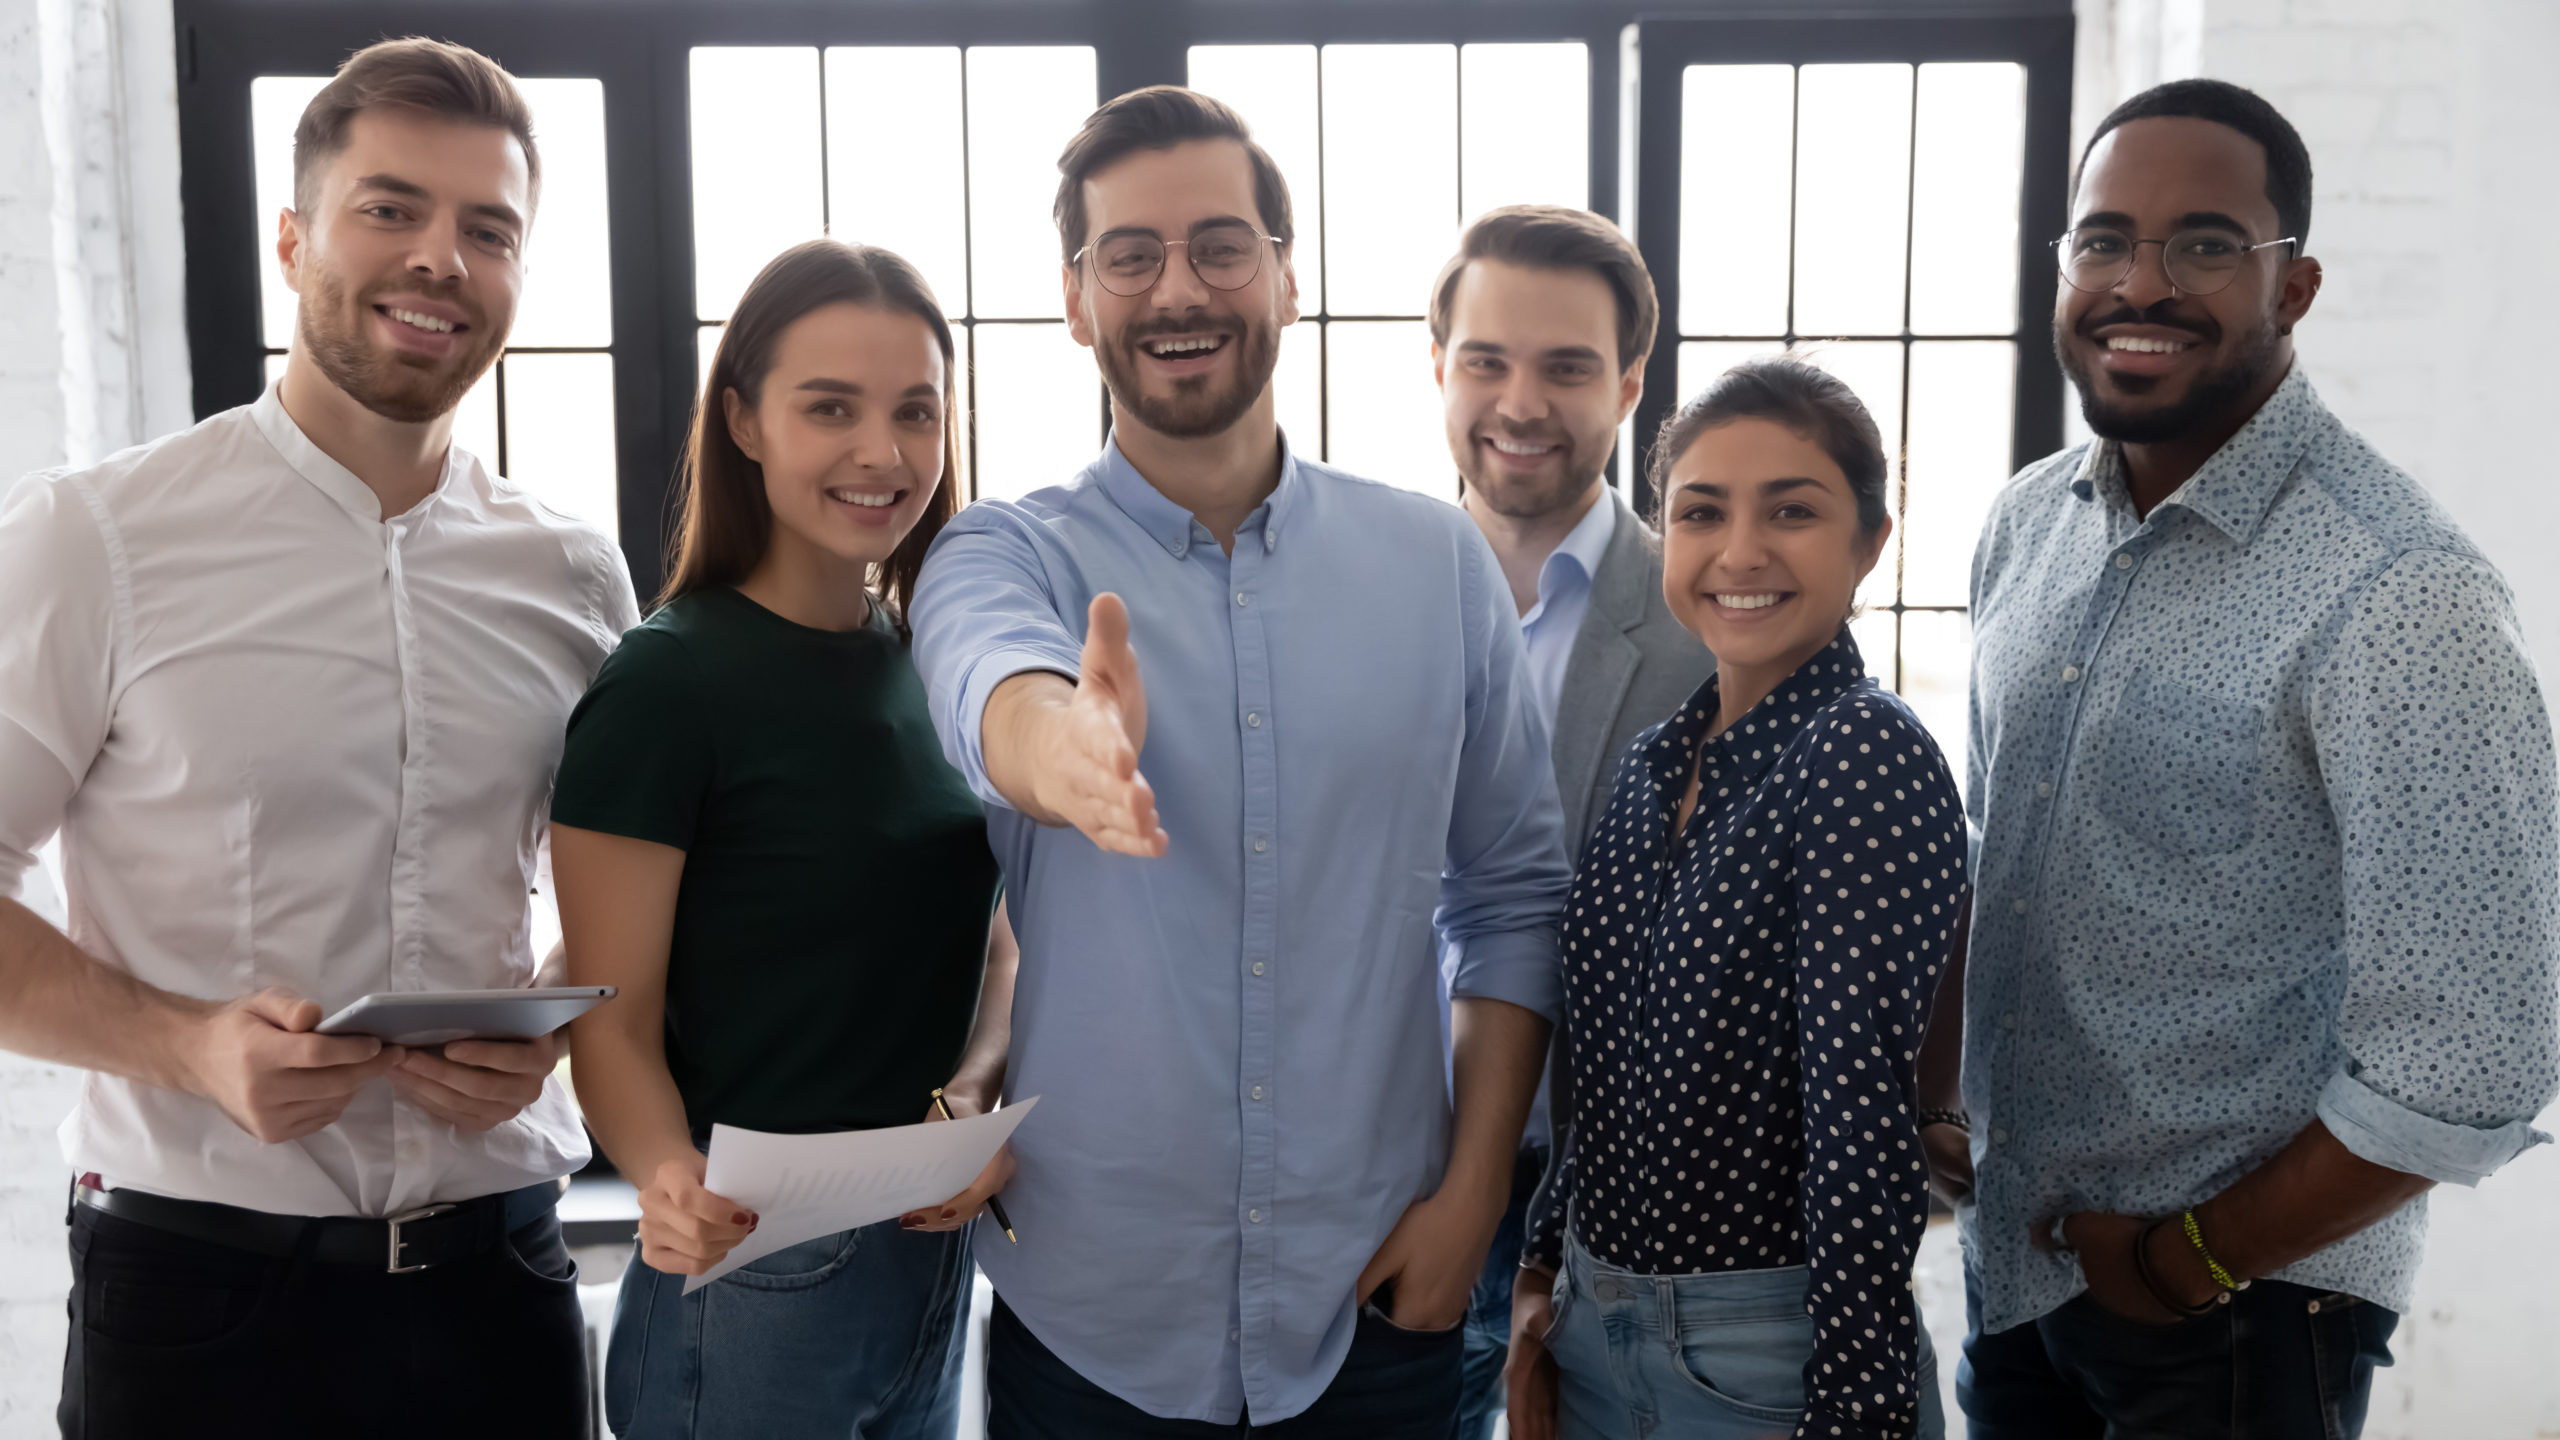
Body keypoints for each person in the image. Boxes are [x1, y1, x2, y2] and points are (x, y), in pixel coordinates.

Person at [906, 86, 1574, 1438]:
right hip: (1094, 1317)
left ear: (1285, 271)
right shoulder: (1001, 550)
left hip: (1382, 1300)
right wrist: (1070, 749)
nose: (1178, 289)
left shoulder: (1435, 563)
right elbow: (997, 690)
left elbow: (1510, 893)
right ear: (1078, 300)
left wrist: (1474, 1203)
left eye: (1221, 244)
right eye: (1129, 256)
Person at [0, 39, 634, 1437]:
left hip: (504, 1281)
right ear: (294, 241)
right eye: (389, 209)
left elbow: (612, 893)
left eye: (489, 230)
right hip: (196, 1298)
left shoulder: (578, 578)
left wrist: (544, 1021)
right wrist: (187, 1047)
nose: (440, 261)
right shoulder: (93, 539)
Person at [1933, 78, 2558, 1438]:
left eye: (2205, 244)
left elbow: (2478, 1053)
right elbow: (2004, 851)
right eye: (2103, 242)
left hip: (2235, 1321)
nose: (2138, 284)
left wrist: (2184, 1261)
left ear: (2298, 285)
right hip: (2019, 1277)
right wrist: (1940, 1098)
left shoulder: (2400, 592)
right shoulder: (2026, 523)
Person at [552, 240, 1012, 1440]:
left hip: (924, 1250)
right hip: (750, 1270)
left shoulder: (930, 660)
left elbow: (995, 938)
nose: (885, 452)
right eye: (831, 409)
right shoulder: (668, 682)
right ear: (745, 421)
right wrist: (663, 1176)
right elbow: (608, 1012)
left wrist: (968, 1099)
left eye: (917, 411)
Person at [1502, 357, 1964, 1440]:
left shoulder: (1862, 750)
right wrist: (1539, 1268)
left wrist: (1854, 1406)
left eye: (1792, 512)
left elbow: (1860, 1119)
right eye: (1701, 512)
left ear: (1870, 543)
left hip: (1766, 1358)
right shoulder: (1657, 762)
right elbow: (1599, 1059)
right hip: (1587, 1324)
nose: (1741, 551)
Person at [1425, 204, 1715, 1440]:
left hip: (1619, 1203)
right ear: (1438, 367)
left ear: (1631, 385)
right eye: (1486, 361)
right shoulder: (1363, 591)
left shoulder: (1714, 614)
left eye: (1566, 367)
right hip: (1390, 1170)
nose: (1520, 402)